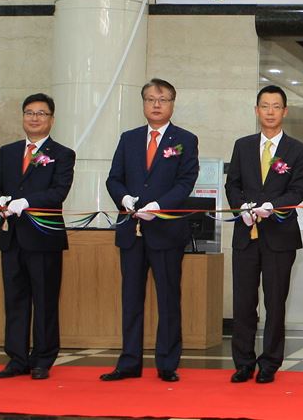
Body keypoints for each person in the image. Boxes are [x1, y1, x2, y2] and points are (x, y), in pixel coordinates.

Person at [102, 78, 199, 383]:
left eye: (163, 99)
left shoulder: (185, 140)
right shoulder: (129, 138)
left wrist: (158, 205)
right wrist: (123, 198)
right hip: (131, 230)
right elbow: (113, 178)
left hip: (166, 231)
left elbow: (185, 182)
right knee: (131, 299)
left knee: (168, 298)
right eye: (150, 99)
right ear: (143, 103)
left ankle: (167, 363)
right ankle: (129, 362)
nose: (156, 105)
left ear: (172, 104)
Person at [0, 93, 76, 380]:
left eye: (41, 113)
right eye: (29, 112)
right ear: (23, 116)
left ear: (51, 119)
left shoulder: (63, 154)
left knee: (45, 300)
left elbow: (58, 192)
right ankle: (16, 359)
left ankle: (43, 359)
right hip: (11, 237)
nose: (34, 118)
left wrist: (26, 202)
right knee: (15, 299)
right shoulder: (8, 151)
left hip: (43, 238)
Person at [225, 85, 303, 384]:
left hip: (280, 236)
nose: (270, 112)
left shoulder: (298, 150)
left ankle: (270, 363)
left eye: (276, 106)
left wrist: (273, 206)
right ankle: (243, 362)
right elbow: (232, 184)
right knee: (243, 302)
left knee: (275, 303)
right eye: (265, 106)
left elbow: (298, 189)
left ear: (285, 111)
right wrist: (241, 207)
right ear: (256, 110)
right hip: (245, 234)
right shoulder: (243, 146)